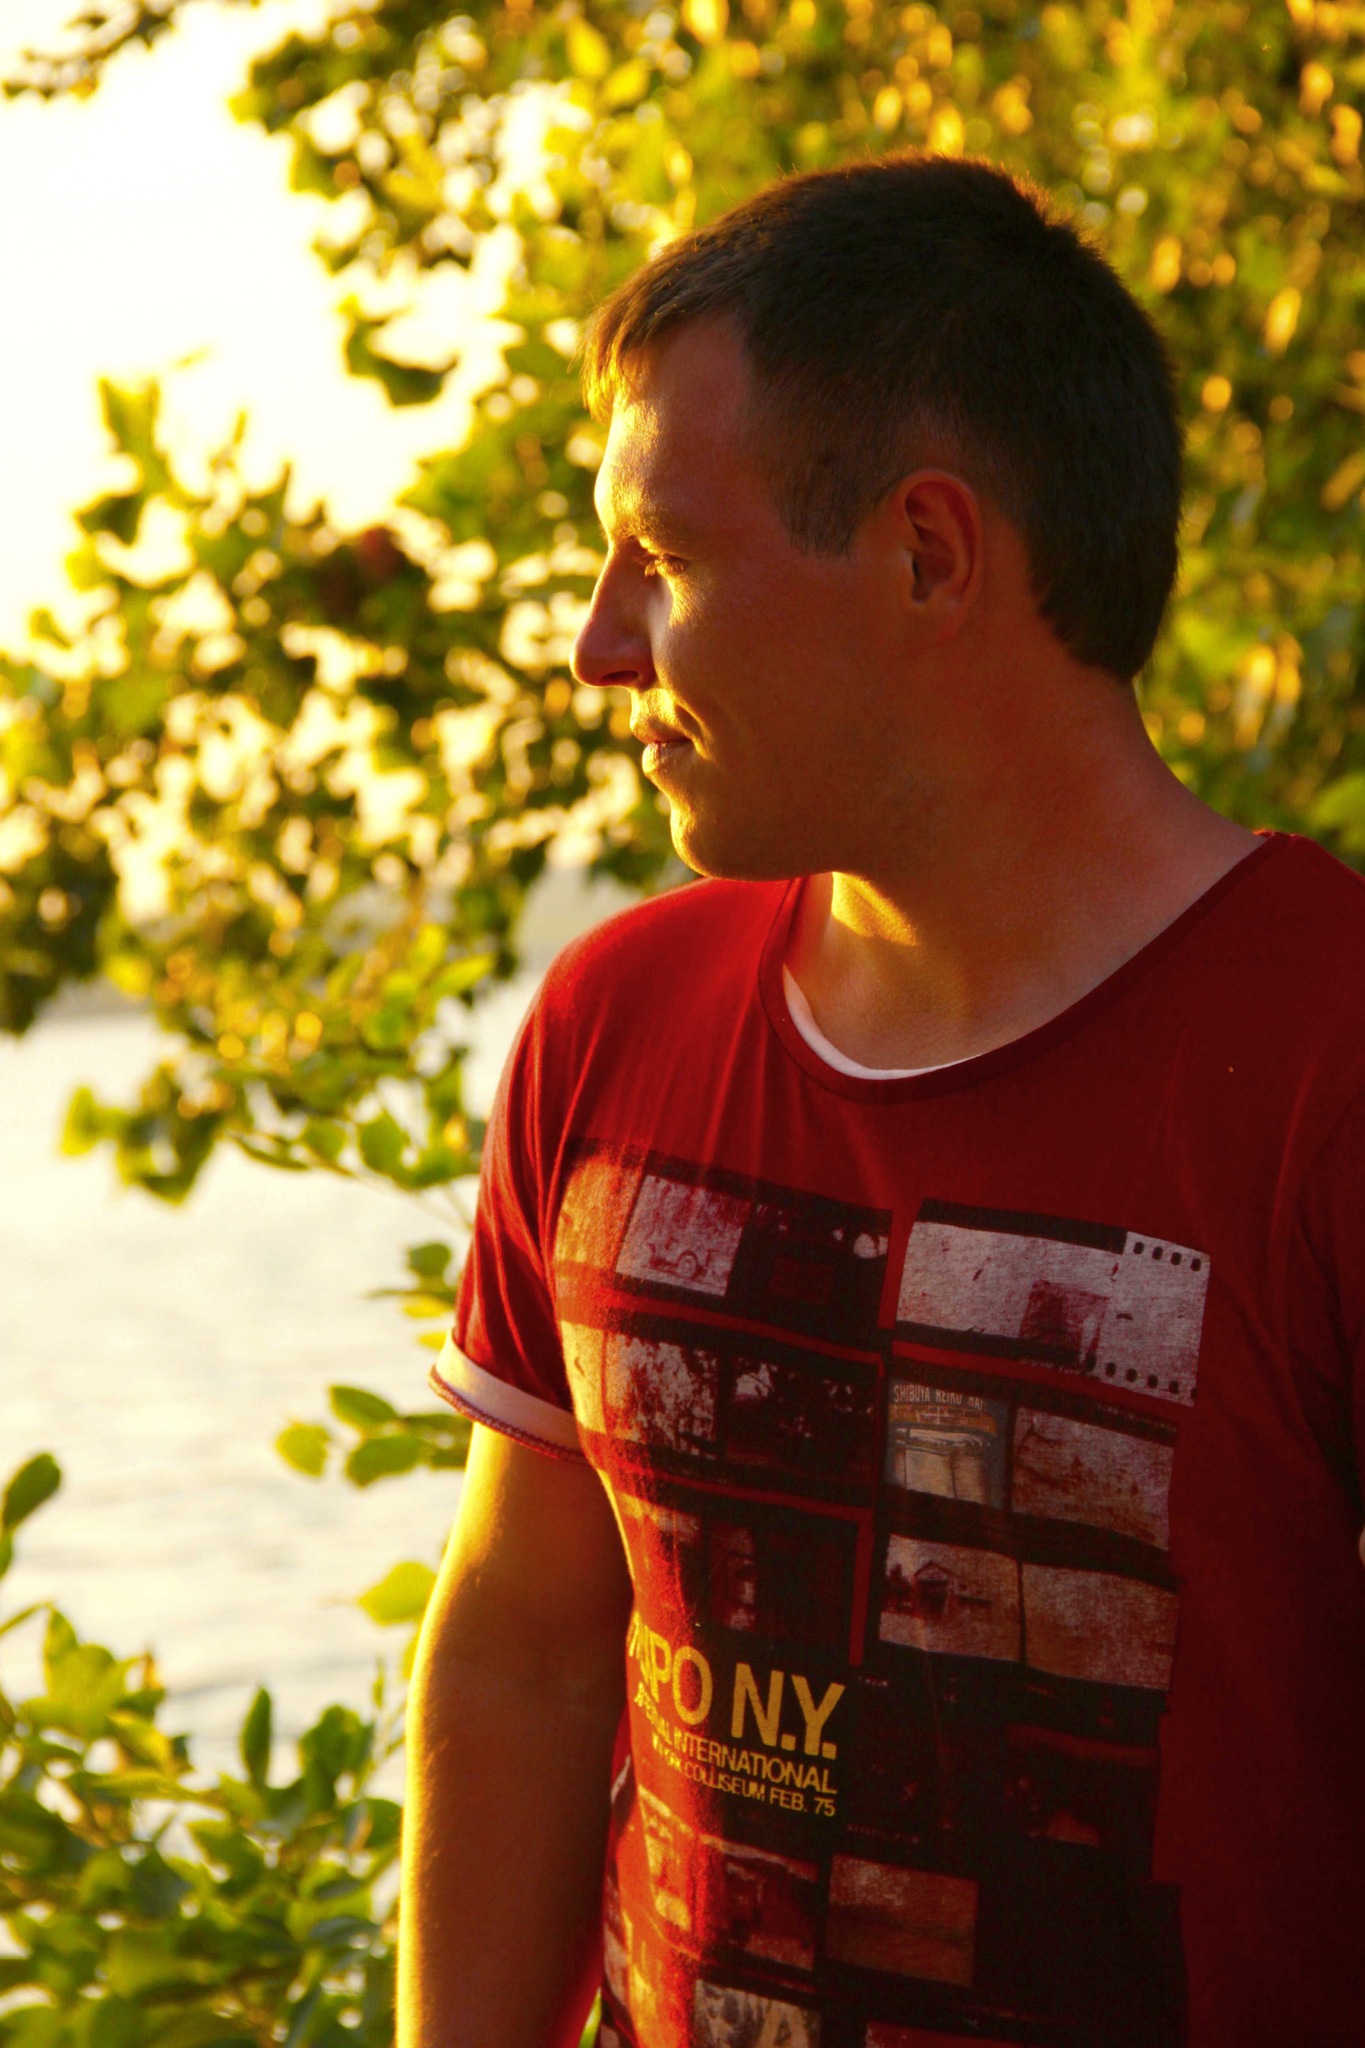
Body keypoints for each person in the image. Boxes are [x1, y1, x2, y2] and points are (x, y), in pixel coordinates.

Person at [397, 155, 1365, 2048]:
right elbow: (526, 1653)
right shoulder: (613, 1021)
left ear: (928, 553)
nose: (599, 647)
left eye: (664, 560)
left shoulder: (1327, 1054)